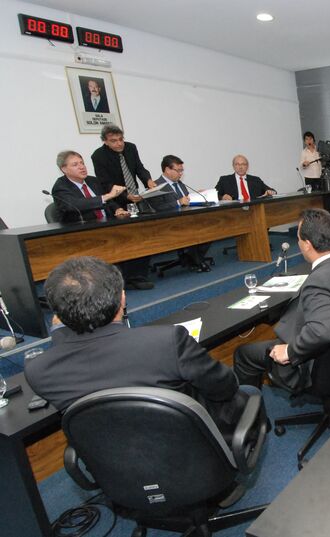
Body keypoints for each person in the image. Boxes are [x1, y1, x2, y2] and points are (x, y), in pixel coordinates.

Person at [24, 257, 266, 440]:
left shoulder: (38, 370)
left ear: (56, 313)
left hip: (116, 469)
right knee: (246, 393)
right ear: (122, 299)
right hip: (192, 449)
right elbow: (224, 387)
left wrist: (60, 331)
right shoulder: (167, 341)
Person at [234, 208, 330, 392]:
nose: (298, 244)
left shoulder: (319, 281)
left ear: (307, 244)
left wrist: (289, 351)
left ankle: (251, 408)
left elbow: (322, 332)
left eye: (298, 239)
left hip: (314, 363)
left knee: (243, 354)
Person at [51, 151, 153, 290]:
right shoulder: (60, 187)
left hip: (107, 224)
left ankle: (135, 277)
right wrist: (107, 196)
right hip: (82, 231)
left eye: (82, 163)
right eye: (75, 164)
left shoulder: (92, 181)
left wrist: (117, 209)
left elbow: (109, 202)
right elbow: (75, 204)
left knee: (136, 233)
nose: (81, 167)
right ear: (64, 169)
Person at [154, 155, 212, 272]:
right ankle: (197, 261)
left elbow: (186, 202)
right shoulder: (156, 185)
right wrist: (178, 202)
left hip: (187, 220)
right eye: (178, 170)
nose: (181, 174)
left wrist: (196, 196)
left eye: (182, 171)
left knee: (210, 226)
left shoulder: (179, 184)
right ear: (167, 170)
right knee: (193, 230)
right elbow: (157, 208)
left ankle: (193, 259)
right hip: (168, 223)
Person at [91, 124, 156, 206]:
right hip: (116, 200)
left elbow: (139, 168)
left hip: (136, 194)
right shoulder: (98, 156)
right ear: (105, 142)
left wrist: (148, 180)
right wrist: (125, 195)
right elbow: (105, 182)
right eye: (114, 141)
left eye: (121, 139)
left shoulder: (131, 148)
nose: (119, 143)